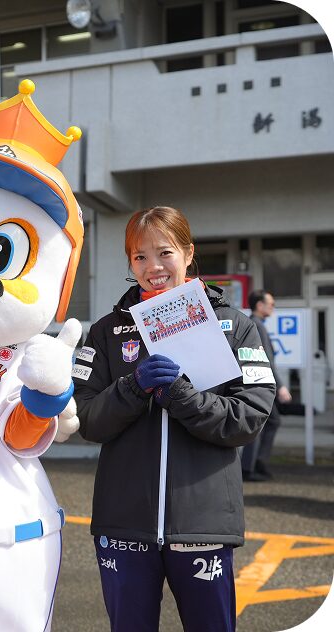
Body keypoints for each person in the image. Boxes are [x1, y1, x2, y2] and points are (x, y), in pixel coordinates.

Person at [73, 206, 275, 632]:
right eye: (140, 256)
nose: (153, 267)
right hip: (124, 523)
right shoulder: (107, 331)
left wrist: (183, 398)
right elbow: (86, 419)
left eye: (164, 252)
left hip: (203, 524)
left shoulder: (234, 325)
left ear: (188, 253)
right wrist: (132, 388)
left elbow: (250, 416)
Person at [241, 289, 293, 481]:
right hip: (259, 384)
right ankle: (251, 466)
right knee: (264, 423)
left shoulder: (252, 323)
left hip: (256, 382)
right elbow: (266, 360)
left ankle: (255, 464)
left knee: (266, 422)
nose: (273, 307)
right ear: (260, 305)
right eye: (271, 303)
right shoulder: (257, 325)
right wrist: (280, 386)